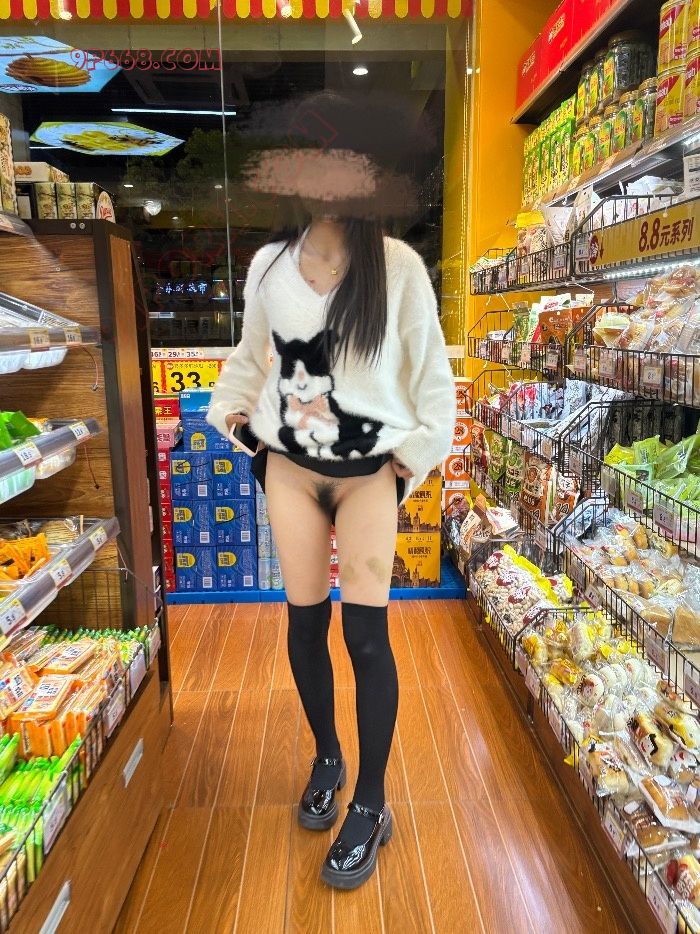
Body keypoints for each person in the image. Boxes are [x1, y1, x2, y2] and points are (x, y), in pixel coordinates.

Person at [207, 107, 455, 891]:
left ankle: (372, 803)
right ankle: (327, 756)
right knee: (305, 625)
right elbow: (248, 362)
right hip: (290, 471)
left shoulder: (398, 268)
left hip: (368, 475)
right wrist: (239, 429)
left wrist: (406, 464)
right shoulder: (269, 266)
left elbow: (433, 382)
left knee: (367, 637)